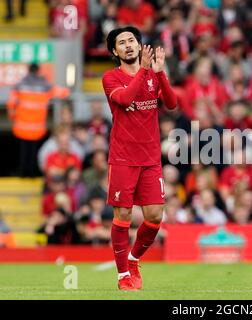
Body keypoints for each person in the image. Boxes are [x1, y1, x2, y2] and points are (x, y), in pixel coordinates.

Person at [102, 26, 177, 290]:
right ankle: (123, 276)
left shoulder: (151, 75)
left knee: (155, 216)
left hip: (151, 158)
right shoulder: (111, 78)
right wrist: (145, 72)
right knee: (122, 215)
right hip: (123, 157)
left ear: (139, 44)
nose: (129, 45)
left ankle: (133, 259)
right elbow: (124, 99)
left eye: (132, 40)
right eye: (122, 43)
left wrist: (159, 74)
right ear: (115, 51)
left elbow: (171, 103)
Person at [7, 63, 69, 177]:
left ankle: (23, 173)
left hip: (22, 126)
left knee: (23, 151)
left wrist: (12, 117)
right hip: (37, 127)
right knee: (34, 151)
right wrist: (68, 91)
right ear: (38, 71)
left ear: (28, 70)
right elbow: (61, 92)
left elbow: (11, 103)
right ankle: (32, 173)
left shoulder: (21, 84)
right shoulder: (44, 85)